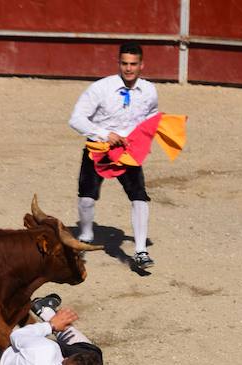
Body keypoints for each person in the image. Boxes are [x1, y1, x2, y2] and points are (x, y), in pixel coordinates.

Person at [69, 42, 159, 269]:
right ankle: (86, 235)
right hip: (99, 147)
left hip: (127, 151)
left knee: (139, 195)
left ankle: (140, 250)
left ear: (141, 65)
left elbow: (152, 116)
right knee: (87, 197)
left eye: (133, 64)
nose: (129, 69)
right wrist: (103, 134)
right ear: (118, 63)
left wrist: (143, 140)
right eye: (124, 63)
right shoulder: (100, 88)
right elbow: (76, 119)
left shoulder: (149, 90)